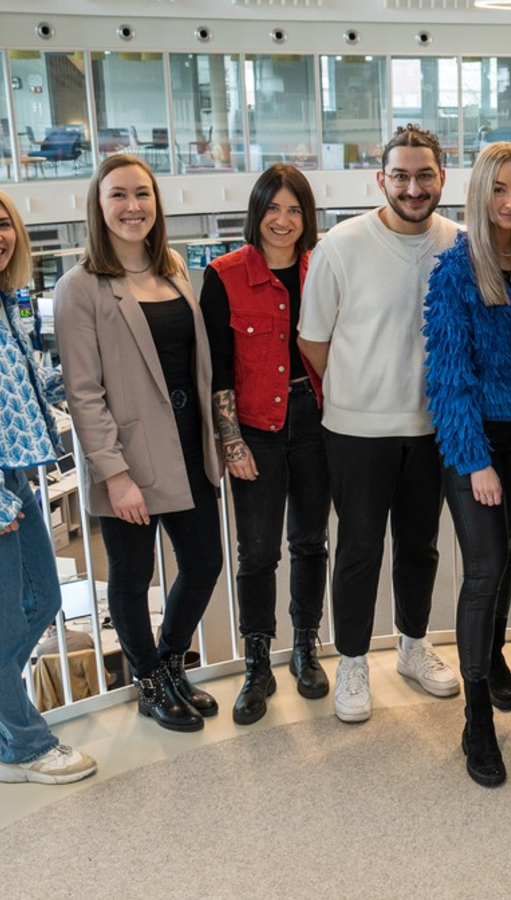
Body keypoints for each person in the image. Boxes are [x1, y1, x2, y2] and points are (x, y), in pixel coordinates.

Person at [297, 125, 461, 724]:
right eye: (401, 176)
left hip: (432, 426)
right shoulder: (341, 246)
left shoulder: (460, 244)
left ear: (442, 177)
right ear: (381, 179)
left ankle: (414, 646)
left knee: (421, 545)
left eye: (424, 175)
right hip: (356, 429)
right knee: (360, 548)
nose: (413, 188)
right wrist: (362, 388)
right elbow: (313, 341)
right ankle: (353, 661)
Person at [55, 155, 224, 733]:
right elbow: (83, 392)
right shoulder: (80, 287)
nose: (133, 206)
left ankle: (171, 662)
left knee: (204, 562)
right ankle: (149, 684)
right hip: (129, 457)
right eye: (119, 195)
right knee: (132, 577)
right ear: (98, 206)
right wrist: (115, 473)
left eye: (143, 194)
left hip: (188, 446)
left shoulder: (172, 268)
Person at [424, 142, 511, 787]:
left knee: (506, 556)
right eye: (499, 189)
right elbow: (449, 379)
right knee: (486, 569)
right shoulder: (456, 270)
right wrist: (474, 462)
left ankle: (493, 654)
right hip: (478, 443)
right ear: (479, 193)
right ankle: (477, 720)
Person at [200, 164, 330, 726]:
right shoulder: (224, 275)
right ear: (256, 212)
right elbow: (216, 366)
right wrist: (231, 440)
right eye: (273, 208)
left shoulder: (322, 267)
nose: (283, 220)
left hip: (316, 420)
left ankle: (305, 647)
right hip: (254, 426)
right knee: (257, 552)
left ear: (307, 217)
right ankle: (257, 663)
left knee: (310, 541)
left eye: (294, 210)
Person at [0, 189, 99, 785]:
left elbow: (32, 384)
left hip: (15, 475)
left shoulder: (5, 306)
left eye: (2, 223)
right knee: (8, 622)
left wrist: (92, 370)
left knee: (43, 603)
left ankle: (9, 733)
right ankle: (27, 746)